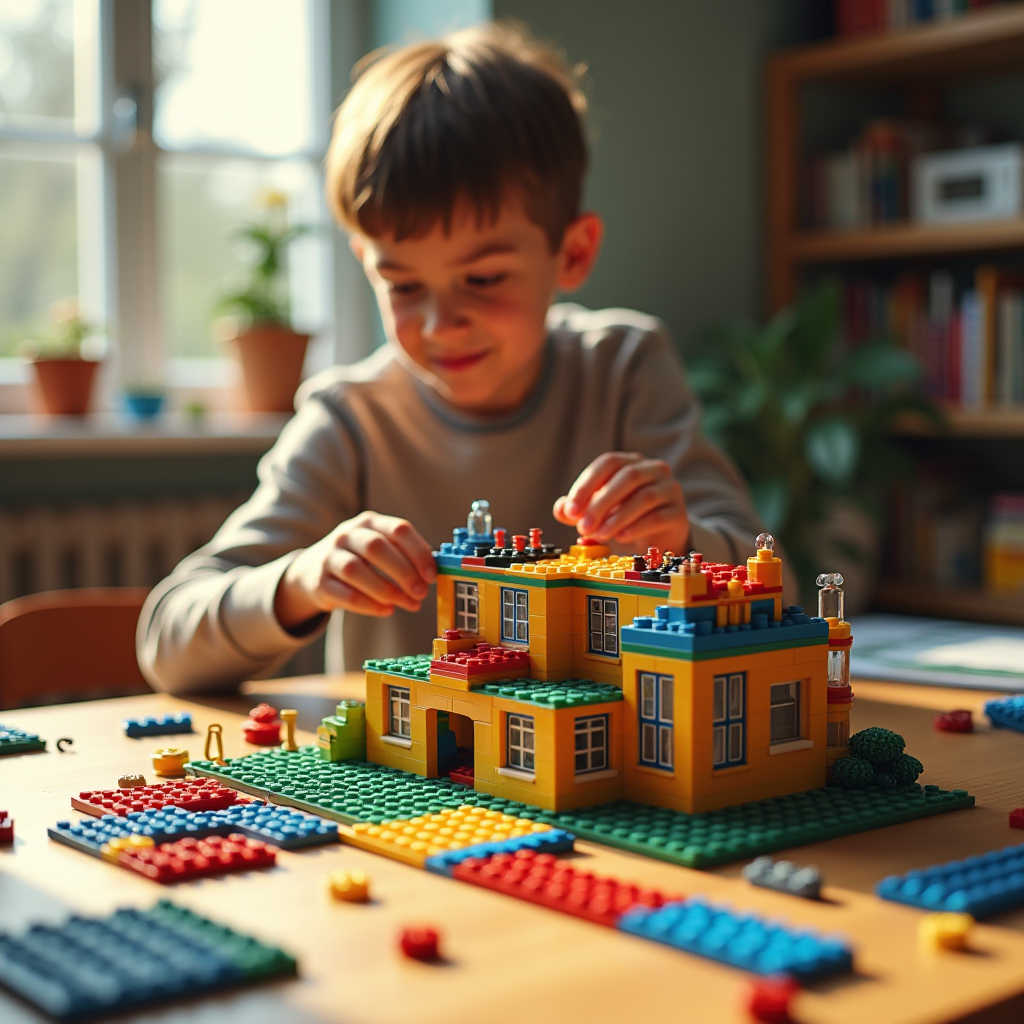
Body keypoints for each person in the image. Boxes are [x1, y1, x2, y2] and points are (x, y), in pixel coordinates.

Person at [138, 21, 775, 695]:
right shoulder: (349, 419)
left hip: (606, 779)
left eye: (484, 278)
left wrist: (678, 542)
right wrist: (301, 580)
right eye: (405, 286)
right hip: (408, 791)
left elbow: (770, 579)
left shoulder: (624, 369)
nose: (442, 324)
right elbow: (167, 643)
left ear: (574, 252)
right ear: (367, 265)